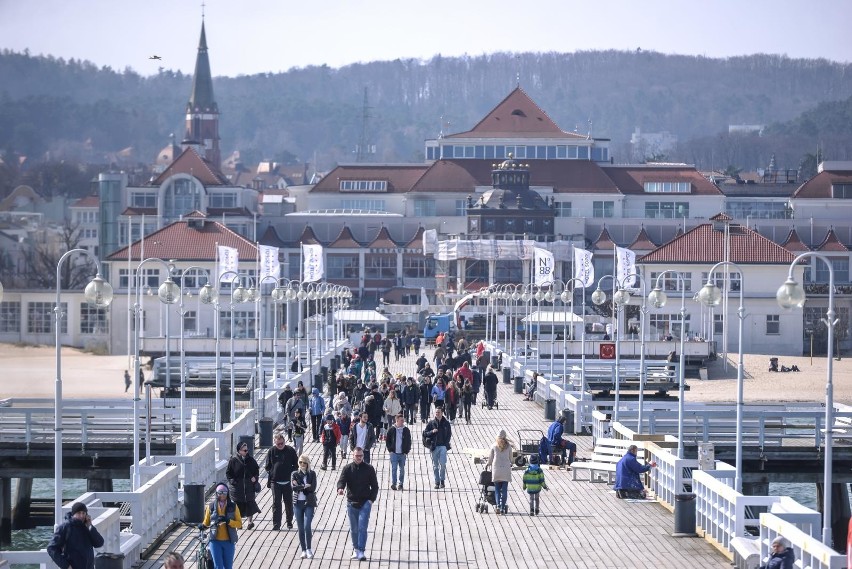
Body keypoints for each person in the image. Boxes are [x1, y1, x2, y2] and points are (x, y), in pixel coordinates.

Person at [337, 447, 379, 562]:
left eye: (361, 456)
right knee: (354, 529)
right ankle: (355, 549)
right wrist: (340, 488)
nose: (359, 458)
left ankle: (361, 551)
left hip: (365, 502)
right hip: (351, 503)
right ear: (353, 456)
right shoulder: (347, 468)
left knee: (362, 527)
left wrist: (371, 500)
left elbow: (375, 486)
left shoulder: (369, 469)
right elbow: (341, 481)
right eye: (357, 456)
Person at [47, 501, 105, 569]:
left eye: (83, 513)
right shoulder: (65, 527)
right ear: (73, 514)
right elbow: (51, 548)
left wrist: (90, 527)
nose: (82, 516)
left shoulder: (87, 527)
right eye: (79, 513)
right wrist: (65, 565)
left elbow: (99, 543)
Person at [201, 483, 242, 569]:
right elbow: (206, 522)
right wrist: (202, 526)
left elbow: (239, 524)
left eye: (224, 493)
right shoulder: (211, 507)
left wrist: (228, 521)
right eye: (220, 493)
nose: (222, 495)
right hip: (215, 541)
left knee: (228, 567)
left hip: (229, 541)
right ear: (216, 493)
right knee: (218, 566)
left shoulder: (233, 506)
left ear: (227, 494)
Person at [264, 431, 297, 531]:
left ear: (284, 441)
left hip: (287, 481)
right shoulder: (271, 451)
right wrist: (271, 469)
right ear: (275, 443)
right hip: (275, 481)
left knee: (288, 502)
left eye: (282, 443)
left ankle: (289, 521)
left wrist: (293, 476)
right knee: (276, 503)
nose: (280, 445)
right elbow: (267, 466)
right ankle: (276, 524)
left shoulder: (290, 450)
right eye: (278, 444)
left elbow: (296, 465)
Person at [227, 441, 260, 530]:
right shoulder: (233, 461)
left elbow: (256, 471)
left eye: (247, 450)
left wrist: (255, 478)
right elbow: (228, 474)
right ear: (239, 451)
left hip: (249, 486)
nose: (246, 452)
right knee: (238, 505)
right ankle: (239, 523)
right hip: (237, 488)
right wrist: (233, 481)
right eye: (244, 450)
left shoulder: (251, 460)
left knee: (250, 503)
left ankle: (250, 522)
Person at [291, 454, 318, 559]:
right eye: (301, 462)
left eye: (304, 462)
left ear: (308, 464)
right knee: (300, 528)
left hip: (309, 502)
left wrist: (300, 486)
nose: (302, 464)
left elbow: (313, 488)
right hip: (298, 503)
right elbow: (294, 488)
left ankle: (309, 549)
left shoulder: (312, 474)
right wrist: (304, 486)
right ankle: (303, 550)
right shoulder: (295, 474)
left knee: (307, 526)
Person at [485, 429, 514, 515]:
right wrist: (511, 463)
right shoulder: (508, 446)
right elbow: (511, 459)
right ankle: (502, 507)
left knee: (497, 489)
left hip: (496, 470)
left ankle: (497, 506)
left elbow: (490, 459)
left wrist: (487, 464)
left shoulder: (494, 446)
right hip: (505, 470)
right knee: (504, 489)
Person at [423, 407, 452, 489]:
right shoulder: (431, 423)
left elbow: (449, 434)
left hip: (443, 446)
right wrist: (432, 431)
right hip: (434, 447)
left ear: (442, 413)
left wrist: (446, 445)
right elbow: (425, 433)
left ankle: (442, 480)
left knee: (442, 464)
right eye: (436, 412)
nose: (437, 414)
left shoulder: (446, 423)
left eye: (438, 412)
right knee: (435, 466)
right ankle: (437, 481)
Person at [385, 413, 412, 490]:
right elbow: (388, 441)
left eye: (403, 420)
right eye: (401, 420)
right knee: (394, 469)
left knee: (402, 469)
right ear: (397, 420)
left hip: (402, 453)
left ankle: (401, 483)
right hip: (394, 453)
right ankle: (394, 483)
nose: (403, 421)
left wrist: (407, 451)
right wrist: (390, 450)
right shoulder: (391, 429)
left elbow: (409, 441)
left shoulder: (406, 430)